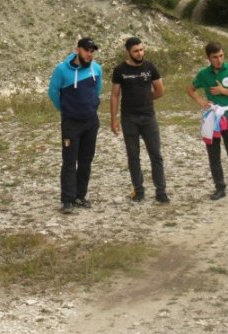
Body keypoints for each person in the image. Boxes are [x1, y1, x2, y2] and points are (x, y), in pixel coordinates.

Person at [187, 42, 228, 204]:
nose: (219, 60)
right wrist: (200, 101)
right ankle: (220, 188)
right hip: (212, 116)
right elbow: (190, 89)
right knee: (213, 155)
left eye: (221, 55)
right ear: (208, 58)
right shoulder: (203, 74)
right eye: (215, 57)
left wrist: (223, 91)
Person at [110, 37, 169, 203]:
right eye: (136, 51)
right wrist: (113, 119)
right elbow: (114, 95)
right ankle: (138, 190)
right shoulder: (120, 70)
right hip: (129, 118)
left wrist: (146, 99)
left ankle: (161, 191)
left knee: (156, 154)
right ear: (128, 51)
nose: (140, 53)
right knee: (133, 155)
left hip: (148, 117)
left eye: (142, 49)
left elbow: (160, 90)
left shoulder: (150, 67)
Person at [48, 37, 103, 214]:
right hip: (71, 123)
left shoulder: (96, 68)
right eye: (86, 50)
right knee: (70, 162)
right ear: (77, 49)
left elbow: (97, 90)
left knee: (86, 161)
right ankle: (67, 200)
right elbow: (53, 92)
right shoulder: (62, 70)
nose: (89, 54)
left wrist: (93, 104)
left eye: (92, 51)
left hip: (91, 121)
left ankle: (80, 196)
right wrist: (64, 109)